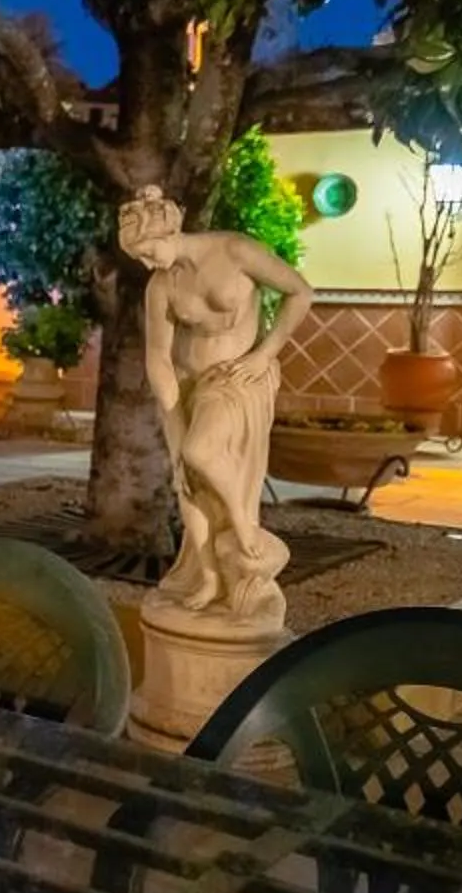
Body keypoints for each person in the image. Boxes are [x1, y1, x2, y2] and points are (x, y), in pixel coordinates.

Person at [119, 188, 316, 623]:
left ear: (169, 229)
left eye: (148, 251)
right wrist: (171, 434)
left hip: (238, 379)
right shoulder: (160, 286)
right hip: (189, 385)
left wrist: (264, 354)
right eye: (139, 257)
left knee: (200, 452)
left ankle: (248, 534)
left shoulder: (236, 250)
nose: (147, 263)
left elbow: (300, 292)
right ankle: (208, 574)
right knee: (187, 478)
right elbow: (158, 360)